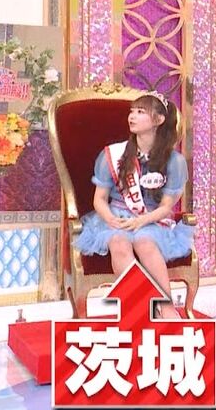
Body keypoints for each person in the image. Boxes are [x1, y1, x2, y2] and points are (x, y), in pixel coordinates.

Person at [78, 93, 193, 319]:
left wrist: (141, 220)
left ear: (159, 119)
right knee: (118, 242)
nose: (132, 116)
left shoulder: (174, 161)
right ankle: (143, 307)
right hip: (116, 216)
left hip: (151, 218)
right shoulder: (113, 154)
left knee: (146, 243)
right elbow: (99, 199)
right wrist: (110, 219)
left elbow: (167, 206)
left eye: (140, 112)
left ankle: (167, 308)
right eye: (132, 111)